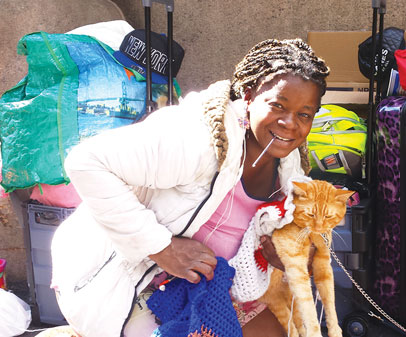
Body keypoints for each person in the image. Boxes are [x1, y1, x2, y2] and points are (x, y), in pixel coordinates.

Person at [50, 38, 329, 337]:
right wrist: (161, 248)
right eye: (278, 105)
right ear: (248, 96)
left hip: (201, 286)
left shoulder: (289, 168)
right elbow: (85, 162)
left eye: (304, 114)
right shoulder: (195, 139)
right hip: (122, 284)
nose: (290, 123)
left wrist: (293, 254)